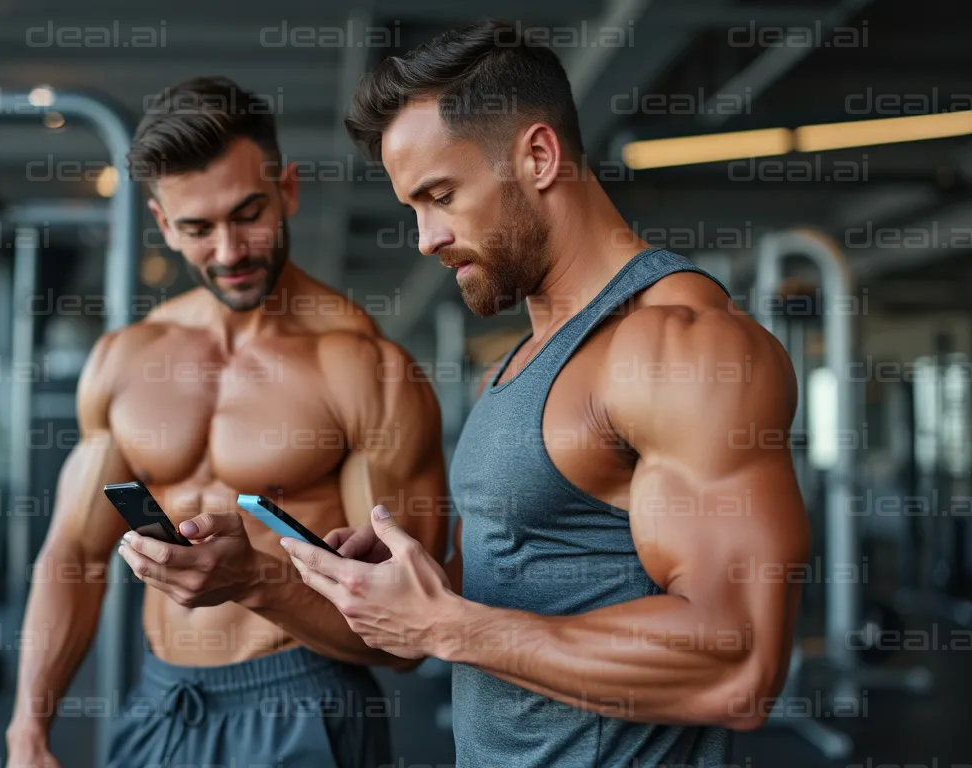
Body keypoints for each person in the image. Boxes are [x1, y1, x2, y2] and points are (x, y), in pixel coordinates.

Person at [281, 18, 810, 768]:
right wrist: (425, 585)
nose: (425, 238)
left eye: (441, 195)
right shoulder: (526, 355)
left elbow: (738, 662)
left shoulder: (680, 345)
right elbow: (548, 575)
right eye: (413, 209)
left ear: (537, 156)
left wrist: (447, 627)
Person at [4, 76, 449, 768]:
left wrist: (257, 581)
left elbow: (410, 634)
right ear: (161, 225)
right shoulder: (126, 360)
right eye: (197, 228)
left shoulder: (365, 370)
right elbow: (75, 555)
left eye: (248, 215)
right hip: (162, 700)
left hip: (303, 701)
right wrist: (28, 730)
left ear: (288, 191)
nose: (229, 250)